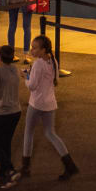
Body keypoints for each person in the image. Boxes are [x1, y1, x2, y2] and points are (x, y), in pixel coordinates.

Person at [20, 35, 77, 181]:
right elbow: (56, 80)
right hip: (50, 103)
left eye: (34, 48)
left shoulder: (38, 64)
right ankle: (69, 164)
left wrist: (26, 76)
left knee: (29, 132)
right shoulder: (52, 60)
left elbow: (32, 86)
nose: (32, 50)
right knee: (51, 133)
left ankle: (25, 167)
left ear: (43, 50)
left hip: (37, 103)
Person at [0, 44, 25, 188]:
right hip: (15, 112)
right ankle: (3, 175)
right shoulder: (14, 69)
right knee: (6, 143)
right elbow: (4, 79)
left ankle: (11, 170)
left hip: (2, 112)